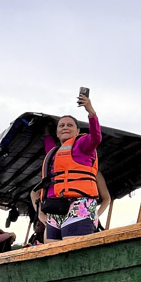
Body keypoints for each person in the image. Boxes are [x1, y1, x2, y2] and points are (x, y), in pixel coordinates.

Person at [38, 92, 103, 241]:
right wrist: (46, 132)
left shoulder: (83, 144)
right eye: (61, 125)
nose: (65, 127)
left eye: (70, 125)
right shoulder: (54, 152)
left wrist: (91, 112)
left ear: (78, 131)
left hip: (78, 207)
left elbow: (96, 137)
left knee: (73, 254)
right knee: (53, 253)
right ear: (57, 132)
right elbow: (49, 145)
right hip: (55, 208)